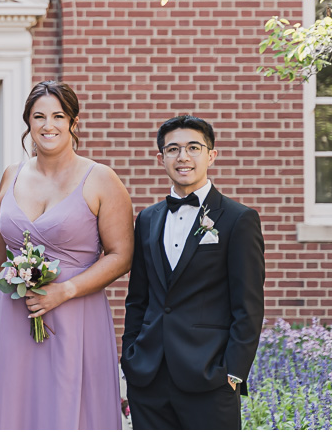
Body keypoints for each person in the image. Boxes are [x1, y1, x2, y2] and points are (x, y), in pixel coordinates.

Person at [0, 81, 133, 430]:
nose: (48, 125)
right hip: (14, 315)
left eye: (58, 116)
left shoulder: (100, 178)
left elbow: (121, 256)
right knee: (15, 408)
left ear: (74, 122)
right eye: (39, 116)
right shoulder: (11, 175)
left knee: (72, 409)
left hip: (75, 314)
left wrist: (64, 291)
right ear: (28, 123)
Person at [121, 115, 265, 430]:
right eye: (173, 149)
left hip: (209, 380)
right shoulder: (147, 218)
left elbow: (249, 308)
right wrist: (130, 361)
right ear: (161, 159)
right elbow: (138, 299)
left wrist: (233, 374)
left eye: (193, 147)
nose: (183, 157)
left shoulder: (239, 220)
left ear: (211, 155)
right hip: (148, 377)